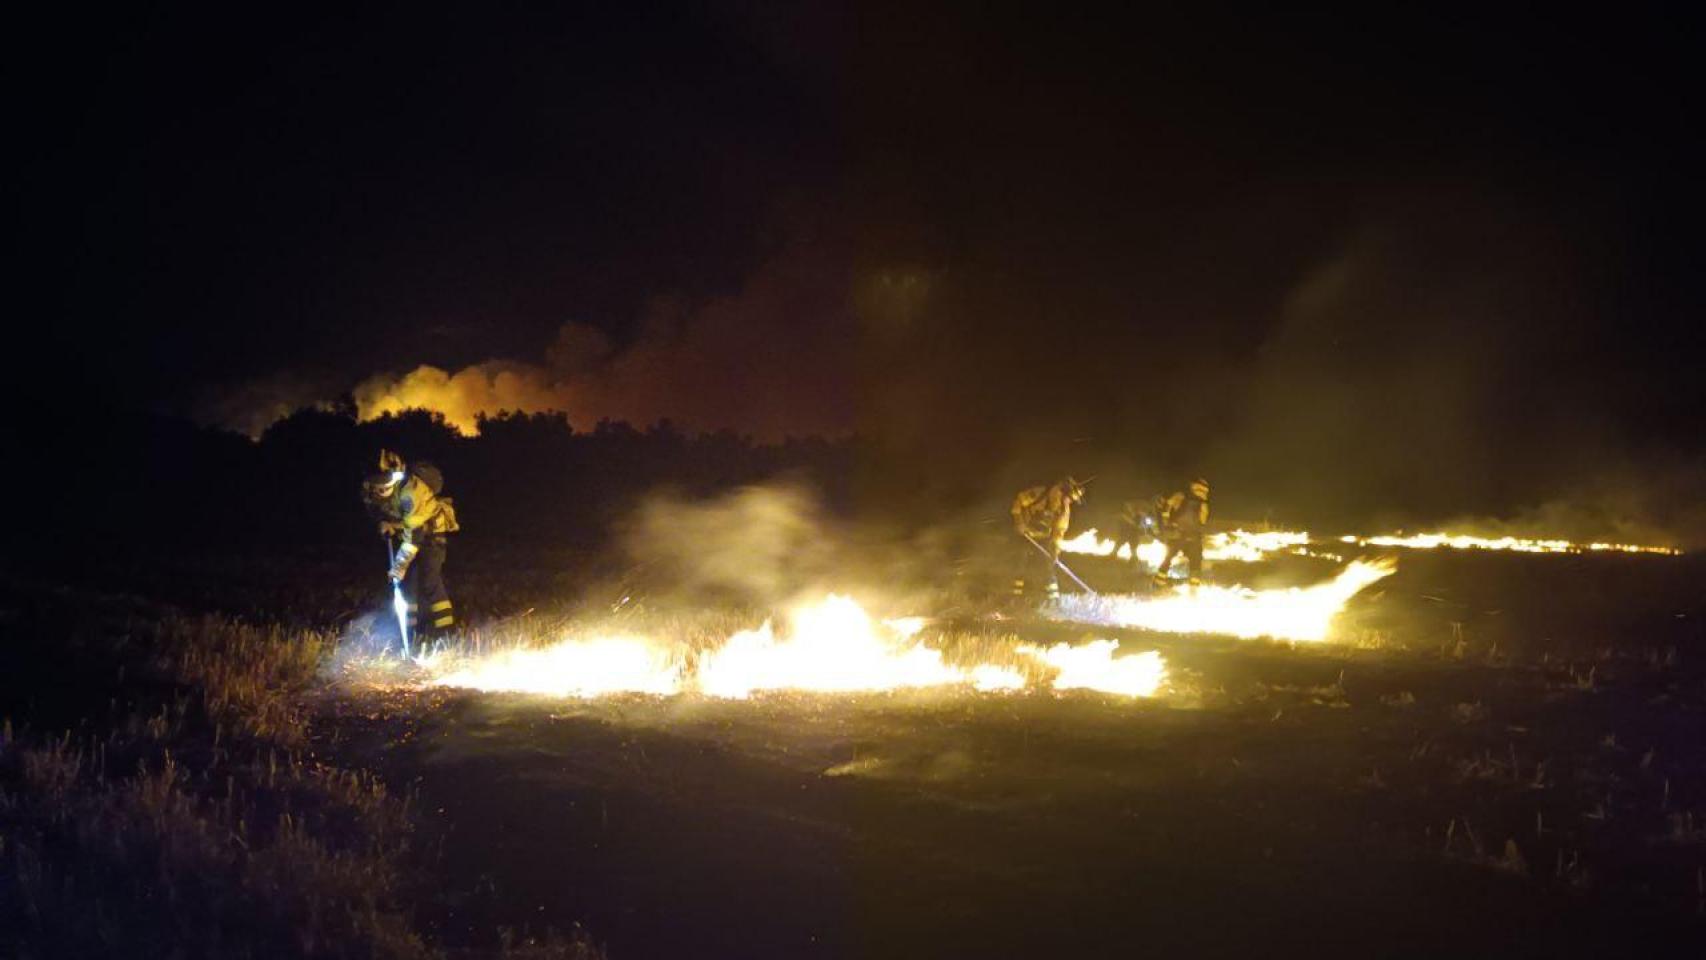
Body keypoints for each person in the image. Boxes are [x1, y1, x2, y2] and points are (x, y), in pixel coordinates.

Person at [362, 449, 460, 642]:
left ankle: (446, 634)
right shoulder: (369, 490)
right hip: (409, 531)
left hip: (431, 535)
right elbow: (381, 513)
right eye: (377, 485)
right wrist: (385, 524)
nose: (381, 490)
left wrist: (399, 567)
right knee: (408, 587)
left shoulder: (411, 492)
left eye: (385, 485)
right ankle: (410, 634)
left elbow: (414, 536)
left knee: (430, 582)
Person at [1010, 476, 1086, 600]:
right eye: (1069, 498)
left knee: (1048, 568)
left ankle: (1053, 600)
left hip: (1044, 539)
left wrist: (1055, 552)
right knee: (1021, 565)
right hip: (1025, 536)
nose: (1068, 502)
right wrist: (1019, 522)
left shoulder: (1063, 510)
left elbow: (1059, 532)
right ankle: (1015, 598)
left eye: (1071, 500)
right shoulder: (1040, 494)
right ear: (1060, 491)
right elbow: (1018, 501)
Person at [1152, 477, 1209, 588]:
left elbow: (1167, 507)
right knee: (1193, 561)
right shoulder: (1194, 500)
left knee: (1172, 558)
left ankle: (1160, 583)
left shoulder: (1186, 497)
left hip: (1183, 535)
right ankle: (1192, 587)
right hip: (1187, 535)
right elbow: (1203, 520)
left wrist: (1166, 522)